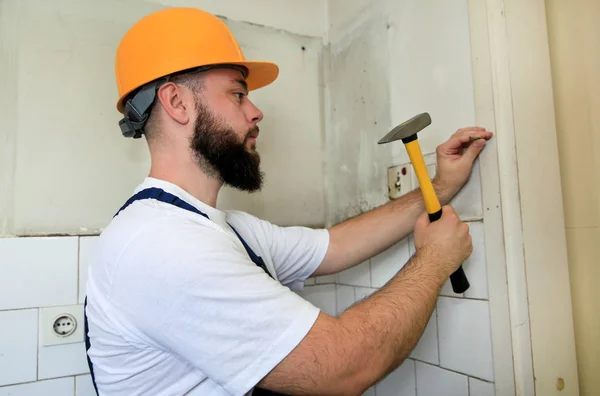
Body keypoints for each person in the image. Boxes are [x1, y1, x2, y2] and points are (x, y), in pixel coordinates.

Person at [84, 7, 493, 396]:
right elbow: (345, 366)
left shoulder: (220, 228)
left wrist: (437, 189)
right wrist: (434, 262)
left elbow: (335, 246)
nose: (257, 112)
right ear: (177, 103)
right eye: (238, 94)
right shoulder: (162, 245)